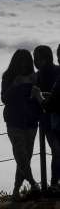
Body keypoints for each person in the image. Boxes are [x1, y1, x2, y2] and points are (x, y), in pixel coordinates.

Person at [1, 49, 41, 201]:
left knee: (24, 158)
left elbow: (39, 97)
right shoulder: (8, 77)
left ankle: (16, 191)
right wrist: (15, 85)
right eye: (21, 61)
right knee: (21, 156)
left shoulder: (34, 77)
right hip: (14, 122)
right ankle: (33, 184)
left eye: (26, 61)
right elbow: (4, 98)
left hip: (31, 122)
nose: (24, 64)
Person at [33, 45, 60, 190]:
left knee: (56, 152)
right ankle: (55, 183)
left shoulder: (37, 76)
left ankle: (54, 184)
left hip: (47, 120)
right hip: (50, 119)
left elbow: (36, 100)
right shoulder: (58, 71)